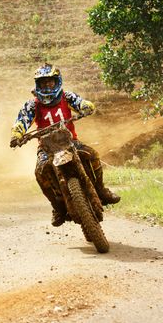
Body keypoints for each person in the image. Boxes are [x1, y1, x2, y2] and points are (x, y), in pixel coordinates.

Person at [10, 63, 120, 226]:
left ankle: (101, 190)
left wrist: (86, 106)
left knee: (93, 155)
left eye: (50, 82)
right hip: (46, 147)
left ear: (57, 82)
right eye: (43, 83)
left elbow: (80, 103)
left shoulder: (67, 97)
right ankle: (57, 208)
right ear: (37, 85)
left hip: (70, 142)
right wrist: (17, 134)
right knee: (40, 174)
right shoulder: (32, 105)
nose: (47, 86)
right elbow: (22, 120)